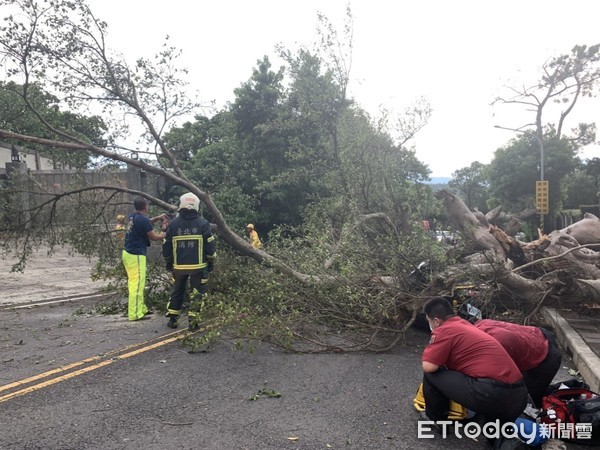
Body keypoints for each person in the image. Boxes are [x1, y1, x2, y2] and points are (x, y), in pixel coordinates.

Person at [421, 297, 528, 429]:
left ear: (436, 321)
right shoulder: (465, 324)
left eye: (429, 321)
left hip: (491, 395)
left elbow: (429, 366)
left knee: (432, 374)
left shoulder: (444, 329)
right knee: (496, 437)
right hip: (519, 395)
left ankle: (435, 419)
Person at [474, 319, 561, 407]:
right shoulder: (480, 325)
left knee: (528, 401)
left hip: (546, 357)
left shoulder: (497, 347)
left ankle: (566, 390)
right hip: (534, 335)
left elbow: (504, 381)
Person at [163, 192, 216, 330]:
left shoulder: (173, 224)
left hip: (179, 267)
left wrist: (169, 262)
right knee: (197, 293)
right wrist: (211, 261)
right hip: (198, 267)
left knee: (177, 290)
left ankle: (173, 319)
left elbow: (166, 245)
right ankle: (193, 322)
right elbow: (210, 246)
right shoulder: (203, 223)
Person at [122, 197, 167, 321]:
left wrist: (158, 218)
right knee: (136, 284)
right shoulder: (142, 219)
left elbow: (147, 222)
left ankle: (141, 308)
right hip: (135, 255)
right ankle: (135, 314)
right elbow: (153, 237)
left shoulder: (134, 216)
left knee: (139, 282)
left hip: (129, 253)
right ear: (145, 206)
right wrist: (164, 234)